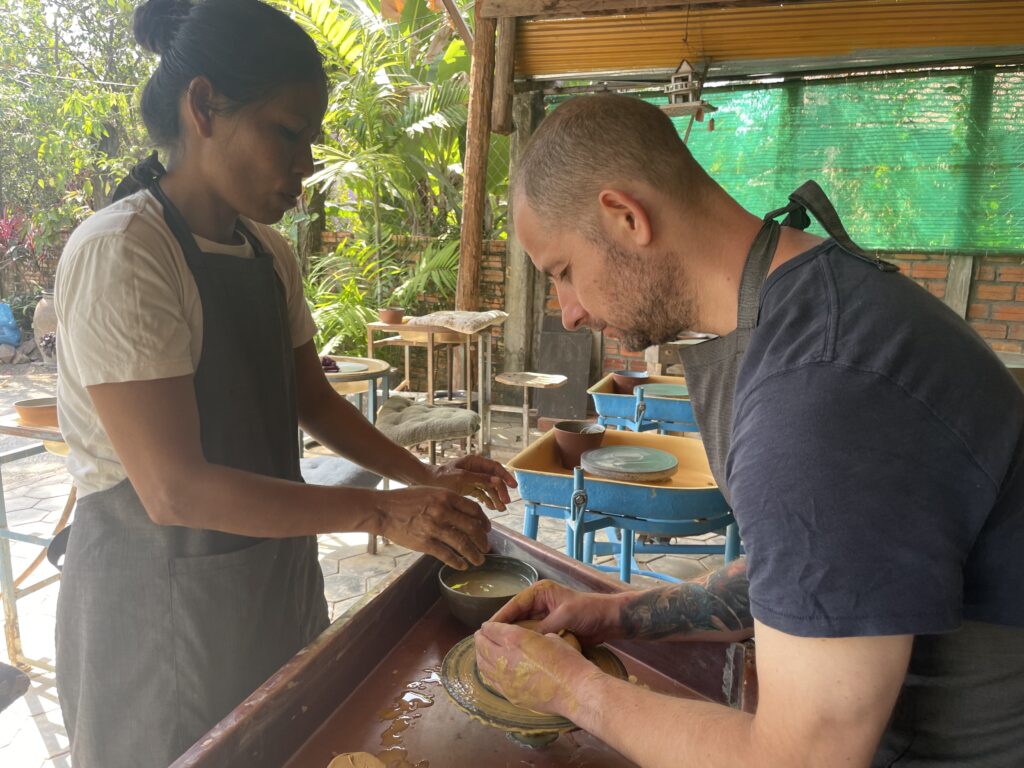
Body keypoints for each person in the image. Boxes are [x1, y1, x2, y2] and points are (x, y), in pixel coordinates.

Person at [475, 93, 1024, 766]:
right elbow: (805, 578)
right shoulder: (807, 305)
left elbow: (803, 758)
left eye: (562, 273)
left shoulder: (818, 393)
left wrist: (571, 689)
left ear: (625, 218)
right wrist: (615, 613)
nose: (568, 313)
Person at [53, 1, 514, 766]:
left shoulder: (269, 256)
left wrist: (421, 477)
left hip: (268, 586)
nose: (305, 163)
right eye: (287, 132)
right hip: (151, 612)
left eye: (311, 139)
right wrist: (378, 512)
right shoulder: (125, 253)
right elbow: (174, 490)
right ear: (203, 106)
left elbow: (313, 402)